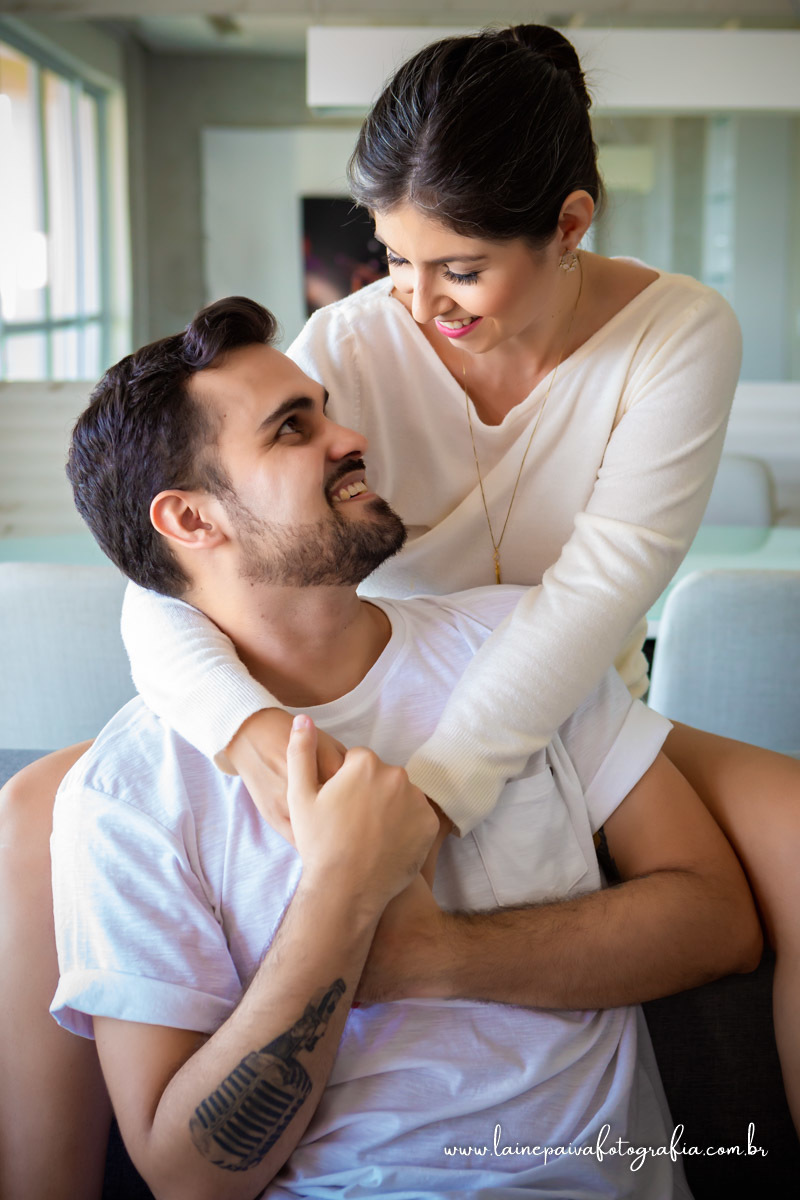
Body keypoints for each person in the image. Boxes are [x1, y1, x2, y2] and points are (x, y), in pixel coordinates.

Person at [0, 21, 797, 1197]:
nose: (416, 301)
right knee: (34, 813)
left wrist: (410, 815)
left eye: (458, 268)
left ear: (570, 225)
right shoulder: (354, 343)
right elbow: (166, 585)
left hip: (552, 674)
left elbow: (591, 598)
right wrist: (269, 751)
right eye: (391, 256)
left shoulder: (678, 334)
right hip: (361, 669)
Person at [49, 295, 759, 1200]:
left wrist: (438, 955)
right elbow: (190, 1178)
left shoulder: (520, 650)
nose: (350, 437)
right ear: (190, 521)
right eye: (291, 429)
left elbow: (719, 921)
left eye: (327, 408)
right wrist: (343, 896)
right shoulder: (127, 795)